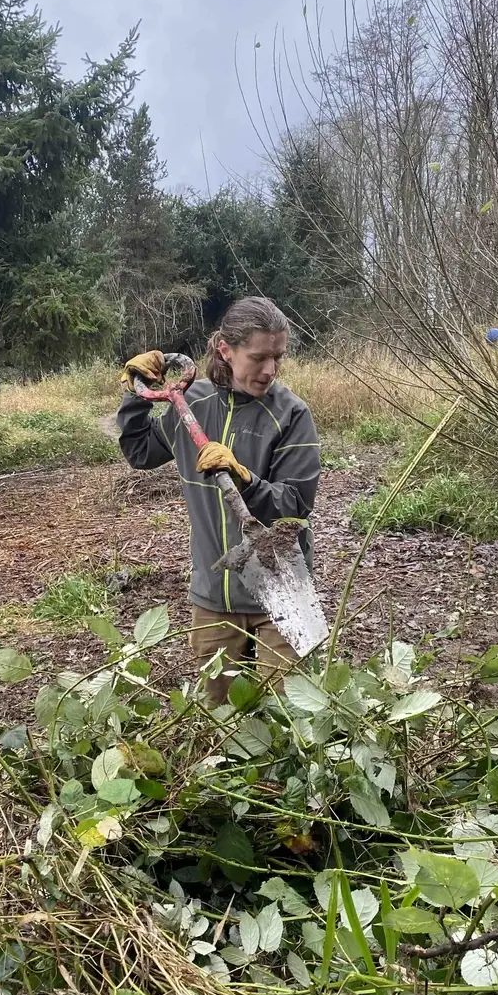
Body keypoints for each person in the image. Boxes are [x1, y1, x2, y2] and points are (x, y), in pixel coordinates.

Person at [116, 296, 321, 703]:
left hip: (282, 594)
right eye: (259, 357)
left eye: (278, 357)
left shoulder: (292, 414)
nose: (270, 370)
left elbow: (295, 504)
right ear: (226, 350)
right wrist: (135, 393)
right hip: (213, 595)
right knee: (220, 717)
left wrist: (244, 477)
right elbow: (140, 453)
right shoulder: (191, 402)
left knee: (288, 720)